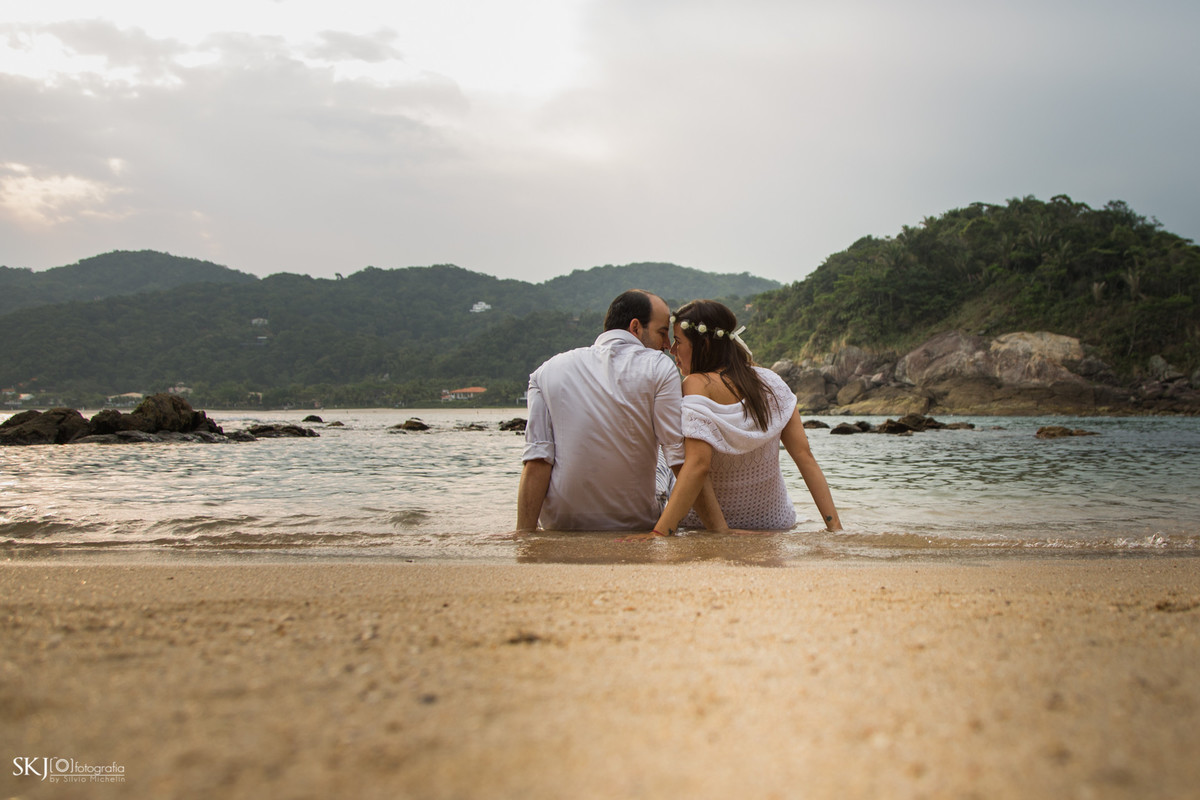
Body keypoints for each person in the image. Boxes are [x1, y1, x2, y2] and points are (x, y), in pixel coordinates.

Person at [516, 290, 721, 531]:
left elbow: (537, 461)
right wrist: (719, 530)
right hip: (635, 520)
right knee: (669, 459)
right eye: (662, 333)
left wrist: (524, 535)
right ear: (635, 327)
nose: (667, 346)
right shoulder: (658, 366)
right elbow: (677, 457)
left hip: (560, 522)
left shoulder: (545, 371)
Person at [637, 299, 842, 538]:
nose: (672, 350)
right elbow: (804, 457)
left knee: (665, 449)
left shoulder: (696, 384)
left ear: (703, 344)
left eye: (678, 341)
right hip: (775, 522)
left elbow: (697, 466)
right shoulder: (771, 382)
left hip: (702, 527)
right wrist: (835, 527)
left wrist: (660, 533)